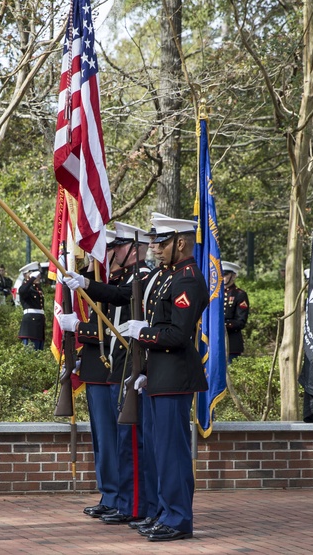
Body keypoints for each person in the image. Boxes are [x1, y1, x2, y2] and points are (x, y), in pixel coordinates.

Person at [123, 213, 207, 542]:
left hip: (175, 376)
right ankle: (163, 511)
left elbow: (177, 335)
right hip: (160, 375)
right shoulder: (166, 276)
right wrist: (144, 371)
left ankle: (178, 518)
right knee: (159, 450)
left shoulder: (187, 279)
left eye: (162, 242)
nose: (156, 248)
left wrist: (142, 333)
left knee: (172, 451)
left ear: (181, 243)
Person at [60, 224, 152, 525]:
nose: (103, 254)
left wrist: (80, 327)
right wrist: (82, 276)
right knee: (104, 438)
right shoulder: (110, 277)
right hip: (102, 363)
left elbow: (118, 320)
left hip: (120, 364)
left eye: (111, 248)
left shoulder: (141, 277)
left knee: (121, 440)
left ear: (132, 249)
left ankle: (123, 499)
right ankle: (112, 496)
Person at [222, 261, 250, 362]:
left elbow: (241, 321)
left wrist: (223, 324)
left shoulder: (239, 294)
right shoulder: (213, 294)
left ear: (233, 276)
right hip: (213, 343)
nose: (222, 277)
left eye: (225, 274)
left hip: (231, 343)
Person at [17, 262, 45, 350]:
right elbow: (22, 291)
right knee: (30, 351)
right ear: (27, 275)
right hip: (30, 324)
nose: (38, 277)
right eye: (36, 275)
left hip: (39, 323)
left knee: (39, 350)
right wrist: (32, 278)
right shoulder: (26, 288)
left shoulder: (37, 288)